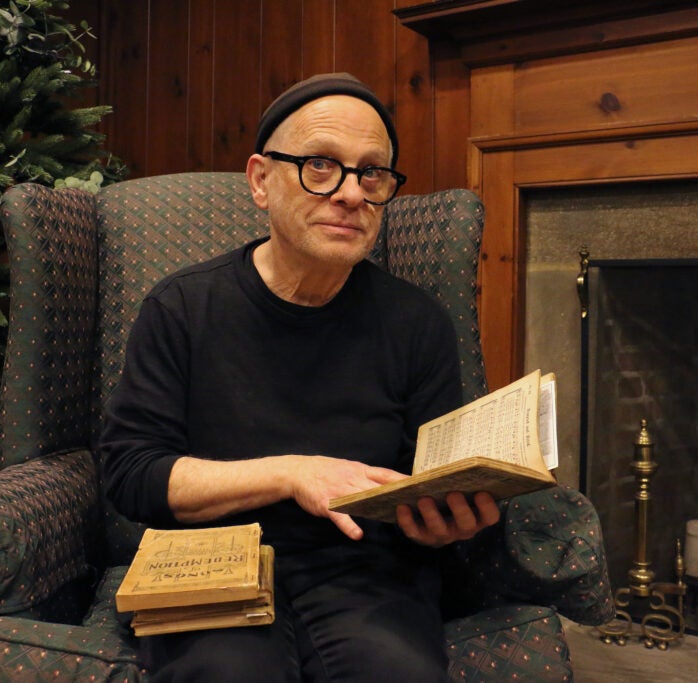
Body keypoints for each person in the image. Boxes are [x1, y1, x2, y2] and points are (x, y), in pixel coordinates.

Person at [101, 73, 501, 683]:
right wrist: (294, 474)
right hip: (209, 564)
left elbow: (425, 477)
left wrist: (450, 522)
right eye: (320, 165)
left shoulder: (418, 322)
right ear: (261, 180)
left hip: (365, 572)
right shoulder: (181, 307)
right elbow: (132, 474)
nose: (350, 194)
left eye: (372, 174)